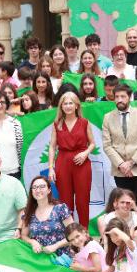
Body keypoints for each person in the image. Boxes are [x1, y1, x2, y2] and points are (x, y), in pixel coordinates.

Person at [48, 92, 94, 227]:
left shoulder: (84, 122)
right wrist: (51, 168)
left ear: (76, 106)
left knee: (82, 200)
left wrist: (85, 153)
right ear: (61, 106)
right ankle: (69, 232)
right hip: (62, 162)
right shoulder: (57, 124)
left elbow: (92, 143)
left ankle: (84, 231)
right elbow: (52, 146)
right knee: (65, 200)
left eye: (70, 103)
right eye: (65, 103)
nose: (68, 106)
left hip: (82, 162)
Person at [102, 83, 137, 201]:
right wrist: (121, 164)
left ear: (129, 97)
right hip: (120, 171)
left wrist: (131, 162)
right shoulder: (107, 117)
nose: (120, 100)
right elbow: (107, 145)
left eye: (123, 96)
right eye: (117, 97)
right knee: (124, 203)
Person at [20, 176, 74, 256]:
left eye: (42, 187)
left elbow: (74, 234)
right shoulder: (28, 212)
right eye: (34, 187)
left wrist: (56, 246)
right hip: (39, 256)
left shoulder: (60, 208)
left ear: (49, 190)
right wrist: (32, 242)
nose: (38, 190)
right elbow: (24, 236)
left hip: (61, 257)